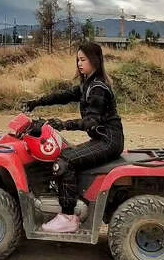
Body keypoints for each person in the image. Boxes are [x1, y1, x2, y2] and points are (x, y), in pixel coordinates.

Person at [21, 42, 124, 233]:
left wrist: (64, 124)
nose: (79, 63)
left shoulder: (98, 88)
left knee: (65, 161)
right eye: (78, 60)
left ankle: (68, 216)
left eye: (83, 59)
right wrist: (37, 102)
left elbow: (91, 121)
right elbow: (64, 95)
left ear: (94, 60)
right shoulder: (88, 84)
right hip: (103, 139)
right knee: (66, 152)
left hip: (108, 141)